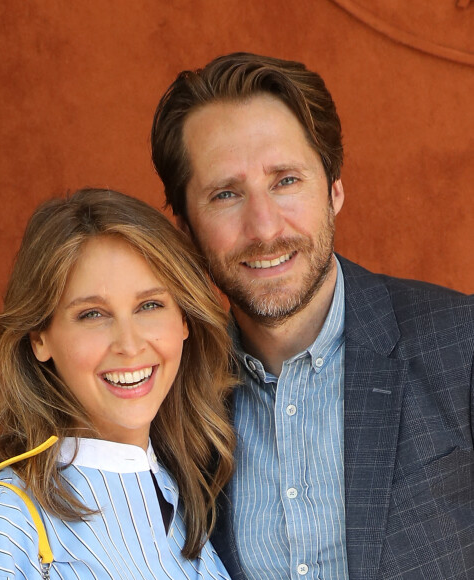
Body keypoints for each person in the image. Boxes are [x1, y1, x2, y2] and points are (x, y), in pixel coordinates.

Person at [150, 52, 474, 580]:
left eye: (286, 181)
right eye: (226, 194)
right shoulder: (172, 399)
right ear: (186, 228)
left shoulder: (462, 345)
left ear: (334, 189)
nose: (264, 227)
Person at [0, 188, 236, 579]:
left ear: (184, 320)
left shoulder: (184, 499)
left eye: (150, 305)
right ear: (39, 337)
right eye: (92, 314)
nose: (129, 345)